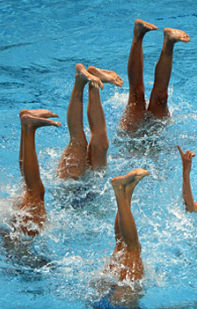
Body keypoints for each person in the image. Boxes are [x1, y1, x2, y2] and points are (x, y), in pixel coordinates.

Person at [119, 19, 190, 132]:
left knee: (136, 96)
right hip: (154, 141)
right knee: (160, 98)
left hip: (130, 135)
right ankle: (169, 42)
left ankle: (139, 34)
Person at [93, 168, 150, 308]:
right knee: (122, 247)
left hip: (117, 302)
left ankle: (122, 191)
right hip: (103, 297)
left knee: (131, 249)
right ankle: (125, 191)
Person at [57, 63, 123, 179]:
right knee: (101, 145)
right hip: (91, 187)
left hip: (70, 188)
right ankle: (95, 81)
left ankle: (80, 81)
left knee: (79, 142)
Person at [14, 109, 61, 236]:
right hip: (15, 231)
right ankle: (26, 127)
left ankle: (29, 128)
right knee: (29, 186)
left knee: (35, 192)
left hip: (20, 236)